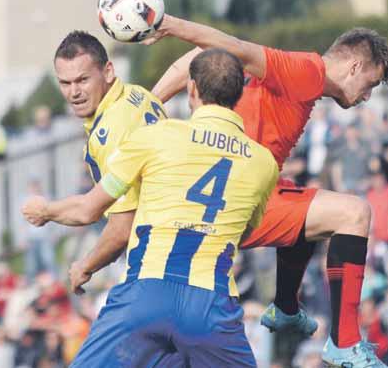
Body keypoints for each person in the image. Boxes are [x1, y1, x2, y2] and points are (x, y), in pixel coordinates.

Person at [143, 14, 388, 366]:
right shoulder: (307, 71)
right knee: (354, 213)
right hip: (235, 201)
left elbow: (197, 59)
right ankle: (344, 342)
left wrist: (148, 103)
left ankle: (285, 307)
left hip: (227, 195)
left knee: (309, 204)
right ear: (354, 66)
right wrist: (169, 24)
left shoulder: (300, 80)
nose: (366, 97)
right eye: (370, 85)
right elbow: (228, 46)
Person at [22, 49, 279, 367]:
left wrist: (46, 211)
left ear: (192, 89)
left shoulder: (156, 137)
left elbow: (89, 208)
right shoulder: (264, 163)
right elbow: (245, 231)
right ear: (239, 93)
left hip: (147, 293)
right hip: (211, 305)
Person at [51, 30, 198, 294]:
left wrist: (84, 266)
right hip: (186, 256)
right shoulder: (134, 94)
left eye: (82, 80)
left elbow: (121, 228)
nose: (74, 92)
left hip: (159, 266)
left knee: (104, 336)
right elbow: (194, 57)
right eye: (65, 83)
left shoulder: (111, 131)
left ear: (108, 72)